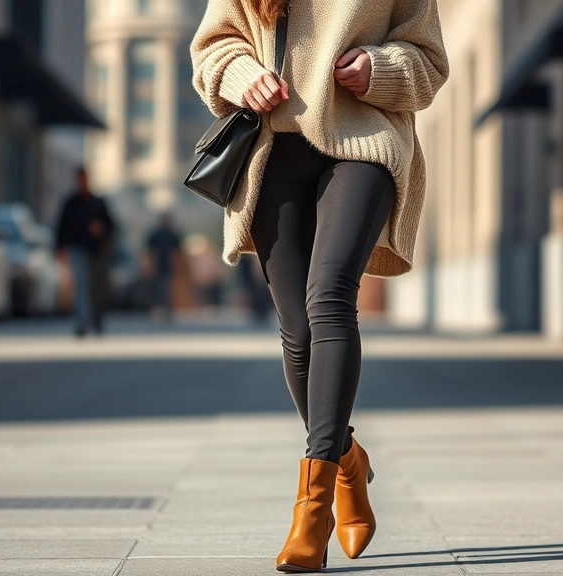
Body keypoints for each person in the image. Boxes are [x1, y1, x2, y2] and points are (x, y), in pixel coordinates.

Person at [191, 0, 448, 571]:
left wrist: (380, 69)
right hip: (269, 150)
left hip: (363, 140)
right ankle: (346, 458)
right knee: (297, 330)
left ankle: (312, 510)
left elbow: (429, 61)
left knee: (329, 296)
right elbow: (212, 47)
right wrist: (241, 74)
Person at [55, 166, 115, 337]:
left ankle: (97, 320)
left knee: (97, 288)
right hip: (78, 249)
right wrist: (60, 248)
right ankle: (82, 322)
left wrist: (101, 229)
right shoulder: (71, 203)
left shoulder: (98, 203)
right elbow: (62, 227)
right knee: (81, 285)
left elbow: (111, 225)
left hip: (97, 251)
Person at [145, 213, 186, 322]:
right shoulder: (156, 235)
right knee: (156, 290)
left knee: (167, 290)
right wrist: (150, 265)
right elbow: (149, 251)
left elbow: (178, 251)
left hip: (168, 267)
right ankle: (156, 310)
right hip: (157, 267)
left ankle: (166, 310)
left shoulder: (172, 235)